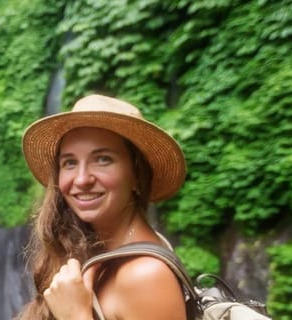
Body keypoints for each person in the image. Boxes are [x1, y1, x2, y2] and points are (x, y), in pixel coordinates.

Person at [16, 94, 188, 320]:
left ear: (137, 173)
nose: (81, 179)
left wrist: (75, 316)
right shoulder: (98, 251)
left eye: (103, 159)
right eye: (70, 162)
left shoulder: (146, 276)